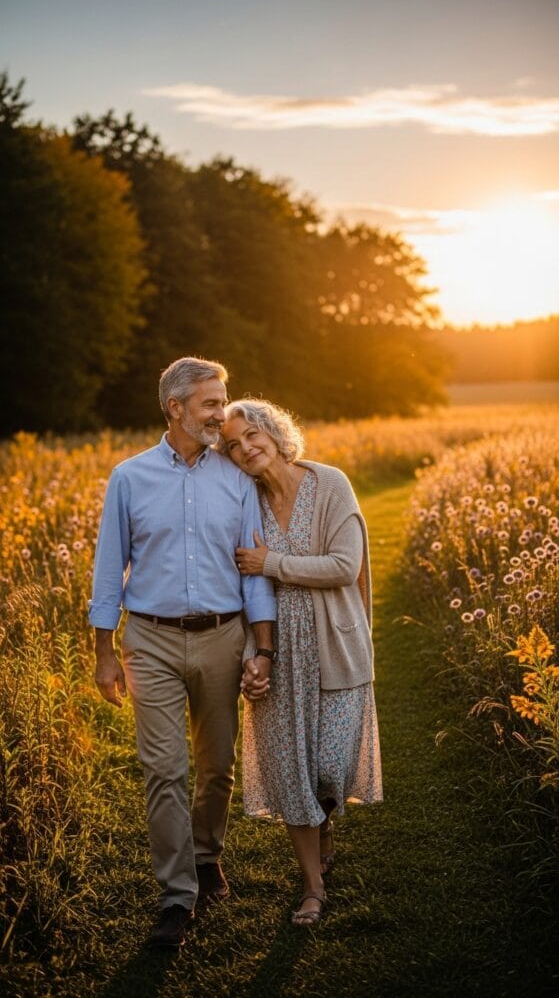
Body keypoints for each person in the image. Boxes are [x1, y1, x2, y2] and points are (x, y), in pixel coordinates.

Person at [89, 358, 276, 948]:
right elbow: (107, 570)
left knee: (217, 766)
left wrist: (261, 647)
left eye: (222, 402)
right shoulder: (129, 478)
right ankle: (177, 896)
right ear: (175, 409)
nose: (221, 414)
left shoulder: (237, 481)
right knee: (165, 769)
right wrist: (105, 650)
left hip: (223, 635)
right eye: (210, 404)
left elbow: (252, 573)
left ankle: (205, 855)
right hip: (150, 640)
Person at [220, 399, 382, 928]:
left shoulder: (330, 484)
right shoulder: (247, 501)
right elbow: (245, 580)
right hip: (277, 649)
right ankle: (313, 887)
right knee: (292, 772)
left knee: (329, 767)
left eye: (251, 435)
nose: (245, 448)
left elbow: (343, 566)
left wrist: (274, 563)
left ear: (273, 431)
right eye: (232, 445)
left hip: (336, 644)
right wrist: (255, 652)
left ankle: (325, 821)